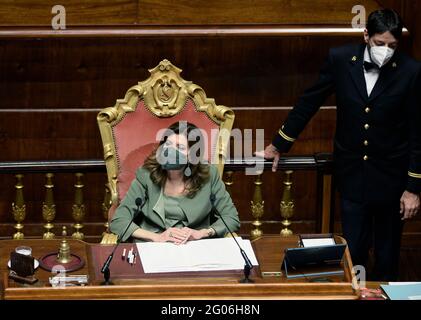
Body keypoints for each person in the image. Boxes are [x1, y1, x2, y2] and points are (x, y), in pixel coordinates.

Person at [257, 9, 421, 281]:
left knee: (388, 256)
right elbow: (310, 101)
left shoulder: (412, 71)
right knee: (352, 251)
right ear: (366, 35)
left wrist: (413, 188)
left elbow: (418, 133)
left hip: (392, 181)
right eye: (380, 44)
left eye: (392, 46)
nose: (386, 51)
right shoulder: (341, 59)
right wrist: (278, 145)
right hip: (352, 175)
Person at [110, 121, 240, 244]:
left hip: (195, 246)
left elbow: (231, 218)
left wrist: (203, 233)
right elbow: (119, 221)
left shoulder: (209, 175)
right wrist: (157, 237)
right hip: (153, 246)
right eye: (168, 144)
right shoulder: (146, 174)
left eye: (180, 147)